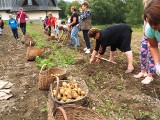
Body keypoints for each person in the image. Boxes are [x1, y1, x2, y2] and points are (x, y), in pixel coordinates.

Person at [133, 0, 154, 84]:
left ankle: (150, 76)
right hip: (145, 35)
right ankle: (143, 71)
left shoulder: (155, 5)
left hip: (154, 36)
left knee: (151, 55)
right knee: (143, 53)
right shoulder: (145, 5)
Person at [144, 0, 160, 76]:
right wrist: (157, 64)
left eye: (156, 23)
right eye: (150, 22)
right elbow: (153, 46)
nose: (153, 26)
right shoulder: (149, 29)